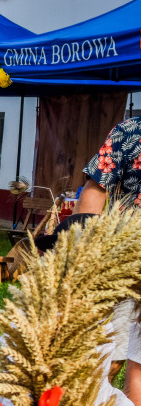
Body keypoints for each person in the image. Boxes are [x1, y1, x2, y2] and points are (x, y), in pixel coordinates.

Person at [77, 115, 141, 380]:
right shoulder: (132, 131)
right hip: (124, 257)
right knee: (110, 356)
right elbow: (96, 188)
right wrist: (80, 251)